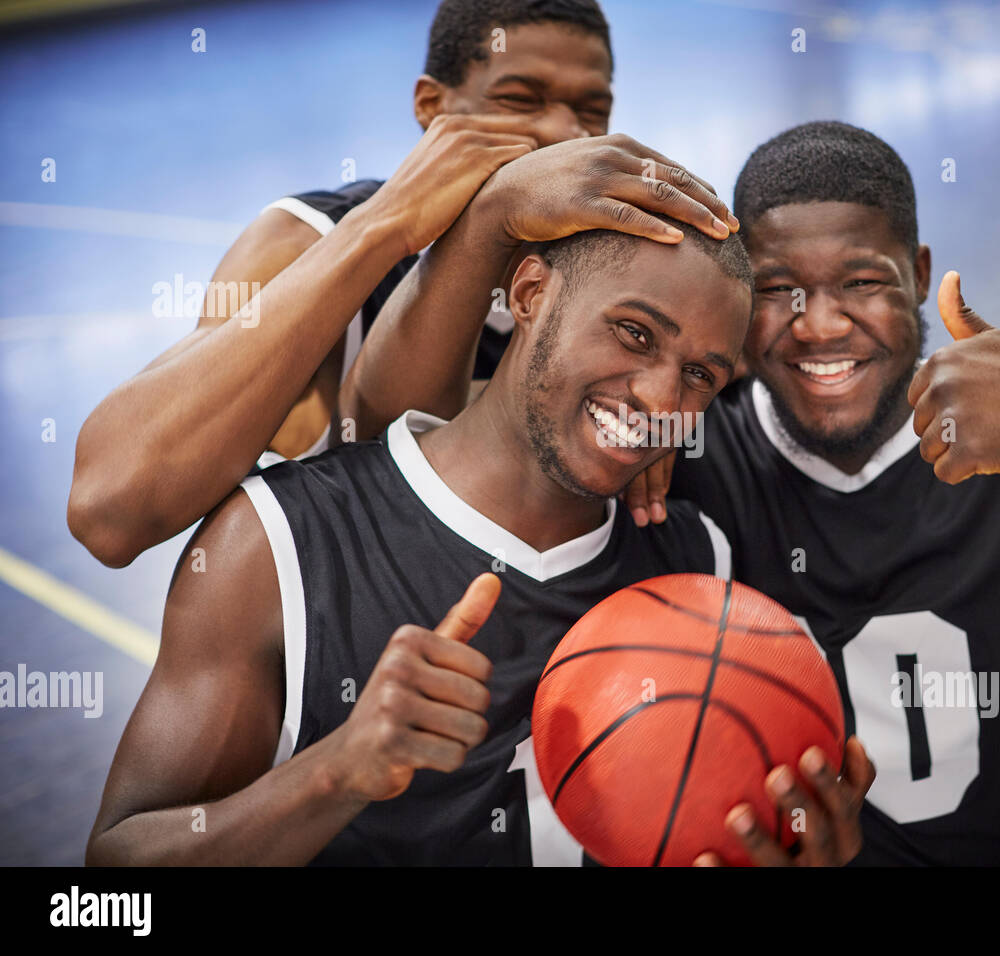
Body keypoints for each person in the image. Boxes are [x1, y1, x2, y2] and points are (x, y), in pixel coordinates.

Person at [377, 120, 1000, 864]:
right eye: (778, 290)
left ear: (924, 274)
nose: (821, 327)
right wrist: (496, 221)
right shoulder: (680, 455)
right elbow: (398, 440)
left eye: (863, 283)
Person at [86, 217, 874, 866]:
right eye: (634, 334)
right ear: (530, 292)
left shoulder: (697, 559)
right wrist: (335, 772)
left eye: (701, 375)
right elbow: (108, 885)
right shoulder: (280, 542)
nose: (662, 399)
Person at [67, 0, 737, 568]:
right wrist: (381, 227)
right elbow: (112, 511)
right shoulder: (307, 240)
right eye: (519, 100)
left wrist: (650, 416)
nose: (563, 134)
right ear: (433, 108)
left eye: (591, 111)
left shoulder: (625, 272)